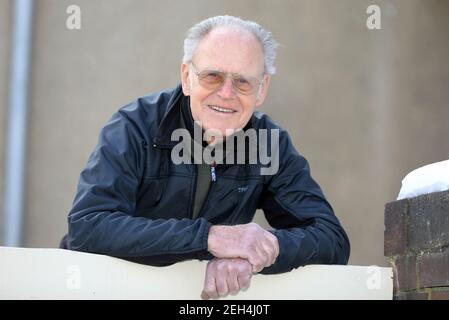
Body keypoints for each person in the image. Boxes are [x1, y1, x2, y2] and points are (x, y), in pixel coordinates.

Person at [62, 15, 350, 299]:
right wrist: (211, 238)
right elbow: (88, 227)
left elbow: (331, 239)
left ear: (262, 89)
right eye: (213, 76)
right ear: (187, 78)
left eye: (243, 82)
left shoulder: (268, 143)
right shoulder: (133, 126)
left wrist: (255, 251)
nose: (226, 93)